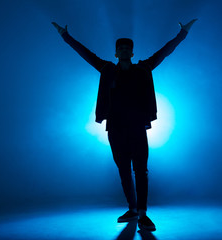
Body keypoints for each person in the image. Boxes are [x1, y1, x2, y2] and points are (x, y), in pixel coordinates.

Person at [52, 18, 197, 231]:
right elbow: (84, 53)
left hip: (137, 127)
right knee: (123, 170)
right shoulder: (107, 69)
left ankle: (143, 214)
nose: (124, 50)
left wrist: (182, 34)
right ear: (116, 53)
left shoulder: (143, 69)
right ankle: (132, 209)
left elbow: (165, 52)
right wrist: (65, 36)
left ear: (132, 52)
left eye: (127, 48)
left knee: (140, 170)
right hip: (116, 129)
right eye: (120, 48)